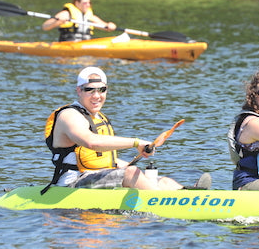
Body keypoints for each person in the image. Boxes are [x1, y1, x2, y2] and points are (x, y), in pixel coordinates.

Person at [43, 66, 211, 192]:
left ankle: (190, 195)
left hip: (97, 175)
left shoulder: (97, 117)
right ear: (78, 91)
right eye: (89, 90)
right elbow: (91, 142)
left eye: (102, 90)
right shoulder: (69, 115)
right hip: (72, 183)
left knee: (161, 180)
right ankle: (171, 204)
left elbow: (106, 160)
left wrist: (136, 166)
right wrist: (136, 143)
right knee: (132, 173)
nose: (97, 95)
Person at [41, 0, 117, 42]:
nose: (88, 5)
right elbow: (45, 26)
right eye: (85, 3)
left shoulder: (90, 17)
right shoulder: (66, 14)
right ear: (77, 3)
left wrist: (111, 26)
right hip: (67, 47)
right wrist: (57, 21)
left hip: (85, 47)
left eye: (89, 3)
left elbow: (105, 26)